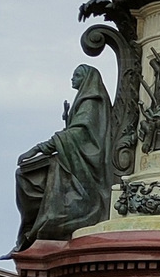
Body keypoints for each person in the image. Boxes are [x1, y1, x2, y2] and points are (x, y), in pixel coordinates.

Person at [13, 65, 113, 252]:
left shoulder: (91, 101)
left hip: (85, 165)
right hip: (73, 158)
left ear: (86, 79)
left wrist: (37, 149)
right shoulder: (85, 101)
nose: (72, 79)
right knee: (23, 176)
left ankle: (43, 223)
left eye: (76, 75)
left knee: (26, 176)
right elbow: (76, 134)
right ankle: (32, 227)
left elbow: (79, 135)